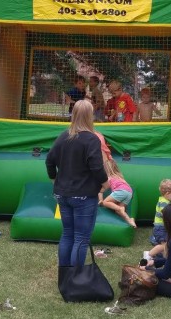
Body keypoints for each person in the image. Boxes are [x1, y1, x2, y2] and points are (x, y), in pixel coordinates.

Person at [46, 99, 108, 267]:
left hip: (63, 193)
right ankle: (76, 277)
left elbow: (49, 160)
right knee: (81, 237)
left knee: (67, 234)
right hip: (83, 195)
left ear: (73, 115)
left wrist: (54, 179)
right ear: (90, 116)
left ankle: (65, 274)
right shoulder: (91, 139)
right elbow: (96, 166)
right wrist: (105, 182)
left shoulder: (64, 136)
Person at [145, 179, 171, 260]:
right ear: (167, 193)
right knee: (164, 245)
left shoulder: (162, 200)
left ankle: (162, 257)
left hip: (160, 227)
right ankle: (148, 254)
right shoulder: (165, 203)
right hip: (161, 228)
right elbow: (165, 215)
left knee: (165, 245)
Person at [98, 158, 136, 228]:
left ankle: (119, 208)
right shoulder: (119, 176)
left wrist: (101, 199)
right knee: (119, 211)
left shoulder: (108, 178)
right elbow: (126, 185)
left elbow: (103, 189)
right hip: (129, 192)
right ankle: (130, 220)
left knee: (106, 202)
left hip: (121, 191)